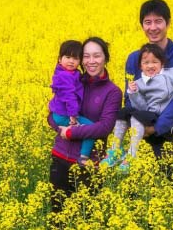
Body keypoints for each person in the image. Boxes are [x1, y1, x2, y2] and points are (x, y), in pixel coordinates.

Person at [47, 37, 122, 212]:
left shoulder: (112, 92)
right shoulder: (72, 80)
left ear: (106, 58)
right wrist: (58, 127)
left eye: (96, 56)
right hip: (60, 157)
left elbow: (105, 127)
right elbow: (53, 113)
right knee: (57, 217)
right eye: (86, 56)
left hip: (89, 165)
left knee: (86, 219)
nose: (91, 61)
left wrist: (72, 132)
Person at [102, 43, 173, 172]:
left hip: (160, 116)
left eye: (155, 62)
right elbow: (141, 106)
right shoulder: (139, 82)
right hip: (148, 114)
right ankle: (115, 150)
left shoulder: (171, 75)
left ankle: (132, 155)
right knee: (122, 112)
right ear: (140, 66)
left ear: (162, 64)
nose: (150, 66)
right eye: (146, 62)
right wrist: (134, 93)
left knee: (137, 117)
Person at [124, 0, 173, 160]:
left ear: (168, 23)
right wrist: (138, 125)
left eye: (158, 21)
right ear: (142, 26)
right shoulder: (133, 59)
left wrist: (155, 128)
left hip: (171, 136)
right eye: (148, 22)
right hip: (141, 136)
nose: (153, 27)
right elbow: (129, 96)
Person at [48, 40, 95, 166]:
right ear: (59, 59)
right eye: (67, 57)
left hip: (61, 113)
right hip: (65, 115)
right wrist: (73, 115)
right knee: (90, 129)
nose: (71, 61)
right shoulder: (65, 76)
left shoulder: (71, 73)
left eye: (75, 58)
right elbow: (69, 97)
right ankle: (84, 157)